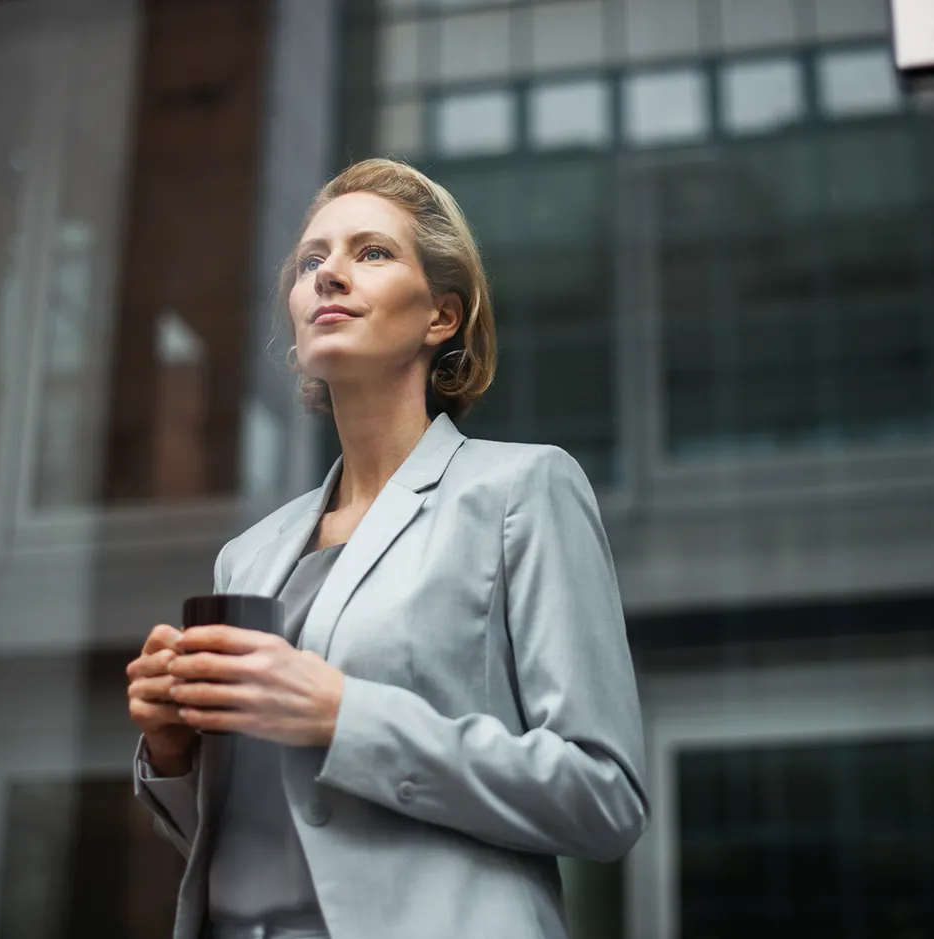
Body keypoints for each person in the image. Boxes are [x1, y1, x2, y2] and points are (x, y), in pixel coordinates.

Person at [124, 158, 648, 939]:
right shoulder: (249, 555)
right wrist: (171, 754)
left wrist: (344, 716)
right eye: (312, 260)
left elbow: (603, 795)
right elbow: (273, 835)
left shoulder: (522, 489)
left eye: (370, 252)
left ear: (442, 316)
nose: (330, 273)